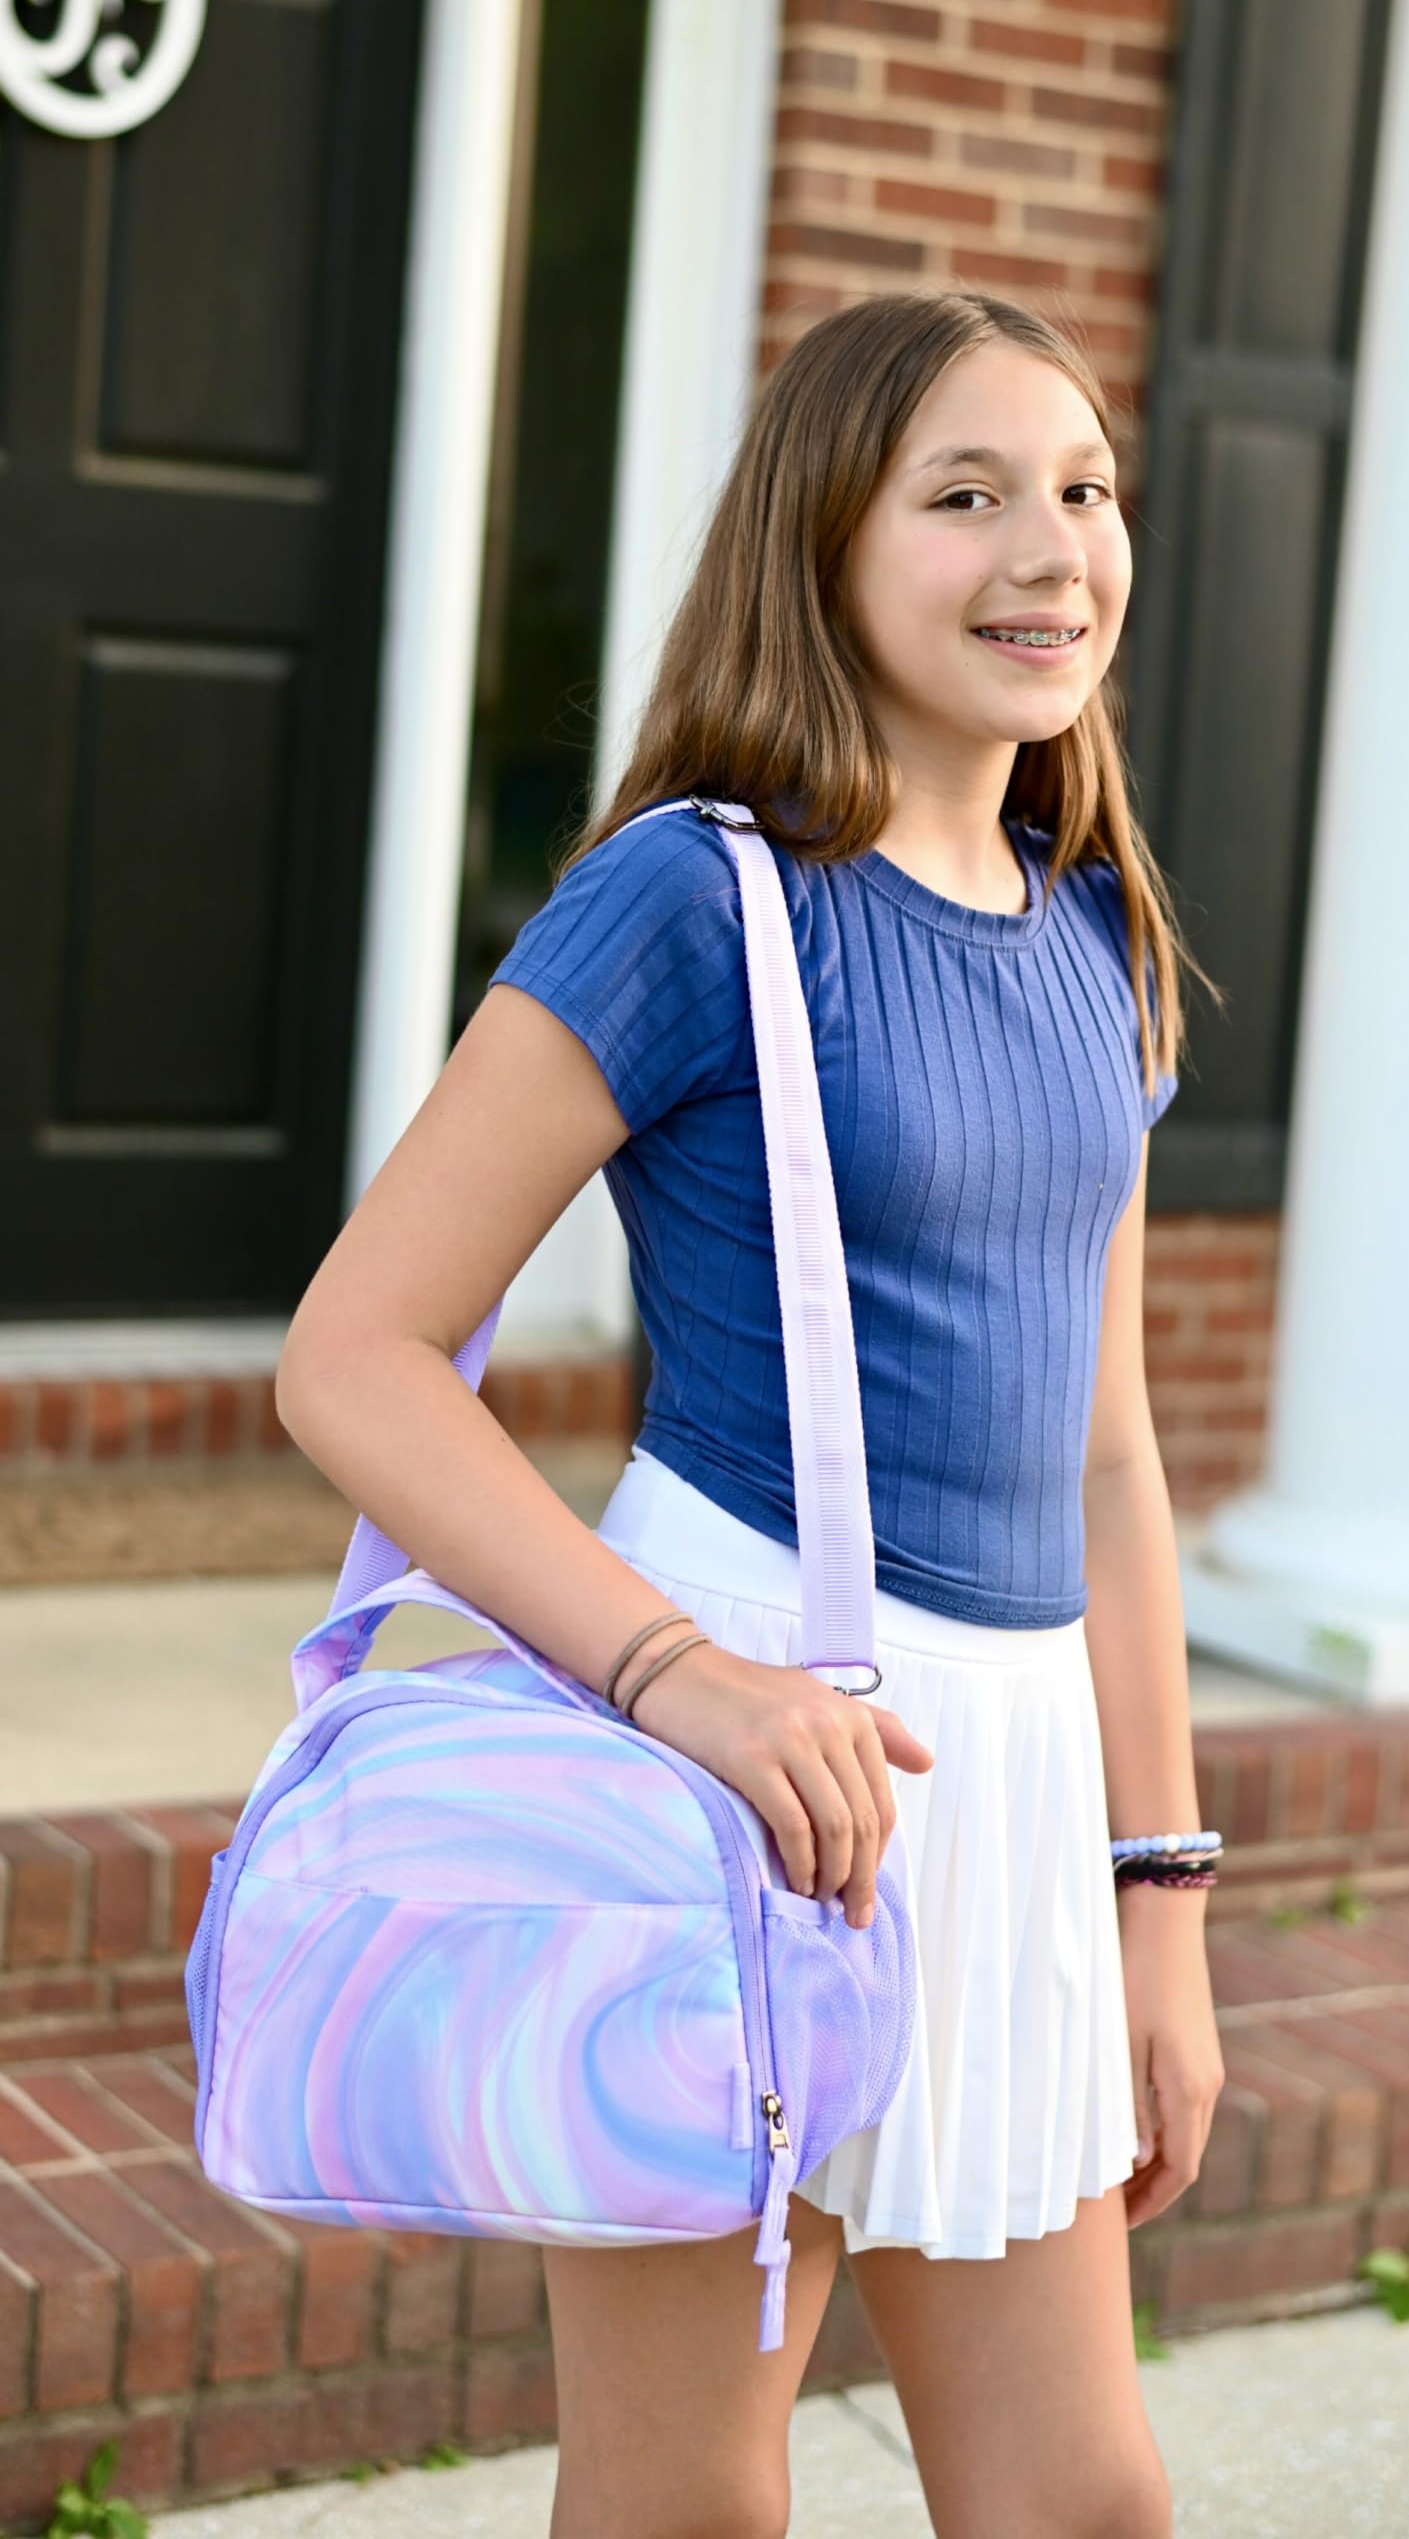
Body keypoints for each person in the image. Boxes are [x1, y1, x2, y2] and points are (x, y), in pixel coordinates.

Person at [275, 288, 1227, 2538]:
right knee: (692, 2505)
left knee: (1079, 2501)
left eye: (1083, 490)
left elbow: (1104, 1461)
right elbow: (354, 1351)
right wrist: (673, 1674)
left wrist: (1155, 1908)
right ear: (819, 539)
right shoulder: (690, 902)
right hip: (731, 1763)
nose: (1049, 547)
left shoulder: (1091, 932)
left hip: (1007, 1787)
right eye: (966, 494)